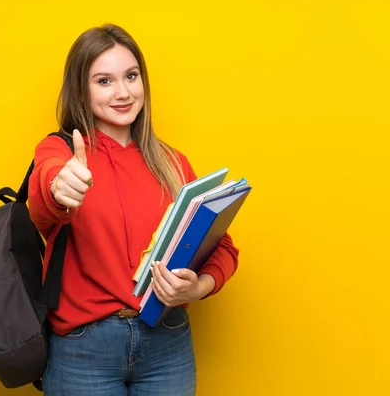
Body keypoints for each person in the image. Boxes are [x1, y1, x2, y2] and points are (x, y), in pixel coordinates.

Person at [28, 23, 239, 396]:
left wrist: (196, 289)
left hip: (167, 343)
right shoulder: (59, 153)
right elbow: (45, 198)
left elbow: (221, 247)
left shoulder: (172, 162)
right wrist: (61, 187)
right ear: (81, 89)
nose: (123, 92)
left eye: (131, 76)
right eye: (104, 81)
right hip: (84, 350)